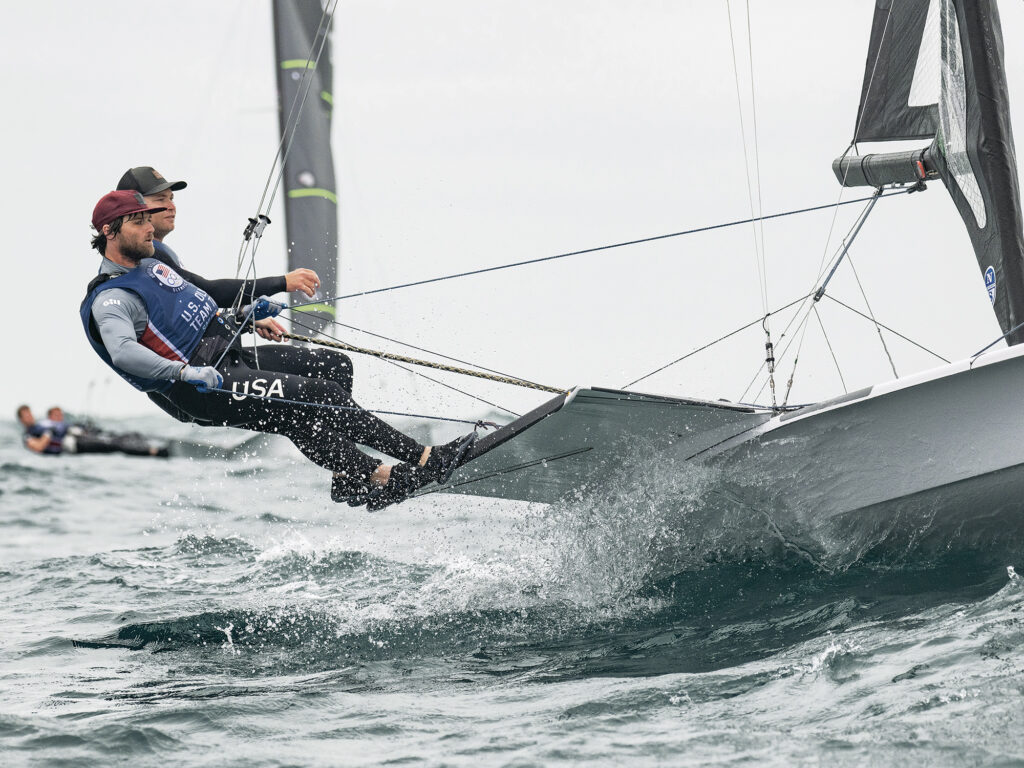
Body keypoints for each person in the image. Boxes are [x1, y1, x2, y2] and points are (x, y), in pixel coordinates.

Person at [81, 189, 474, 509]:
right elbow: (123, 352)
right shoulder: (112, 298)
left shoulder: (152, 265)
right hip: (202, 386)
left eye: (148, 219)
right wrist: (184, 372)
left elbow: (196, 306)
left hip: (227, 355)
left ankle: (351, 475)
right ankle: (424, 458)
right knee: (318, 398)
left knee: (333, 367)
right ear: (109, 232)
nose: (150, 228)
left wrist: (245, 315)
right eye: (139, 222)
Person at [15, 404, 169, 457]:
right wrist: (48, 433)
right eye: (26, 415)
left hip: (78, 437)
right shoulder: (28, 436)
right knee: (114, 445)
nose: (30, 416)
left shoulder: (41, 425)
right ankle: (155, 451)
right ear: (21, 419)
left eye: (30, 413)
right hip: (74, 446)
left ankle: (152, 441)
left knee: (118, 436)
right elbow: (39, 447)